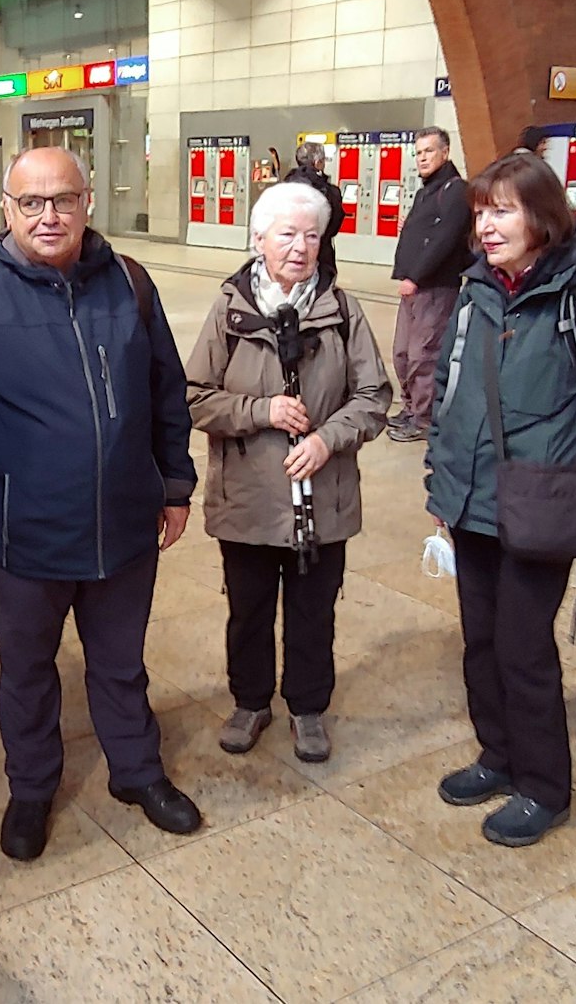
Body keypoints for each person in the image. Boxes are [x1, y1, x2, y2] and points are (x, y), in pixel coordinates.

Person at [0, 147, 203, 862]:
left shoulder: (131, 286)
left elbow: (167, 392)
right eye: (31, 202)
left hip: (123, 532)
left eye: (63, 199)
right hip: (24, 538)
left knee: (121, 664)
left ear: (87, 203)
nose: (48, 215)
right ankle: (31, 787)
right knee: (26, 672)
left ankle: (137, 772)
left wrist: (175, 485)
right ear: (7, 211)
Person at [424, 154, 576, 848]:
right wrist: (441, 483)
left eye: (503, 212)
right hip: (474, 501)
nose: (487, 227)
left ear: (541, 217)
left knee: (523, 649)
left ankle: (544, 785)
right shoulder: (476, 291)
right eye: (482, 213)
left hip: (542, 502)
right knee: (481, 643)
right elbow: (450, 390)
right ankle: (497, 754)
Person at [184, 182, 390, 763]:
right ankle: (250, 701)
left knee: (312, 609)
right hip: (249, 495)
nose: (299, 248)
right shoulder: (230, 310)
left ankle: (307, 707)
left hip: (322, 498)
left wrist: (328, 439)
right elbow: (195, 396)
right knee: (247, 608)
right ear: (258, 240)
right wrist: (261, 410)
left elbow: (374, 396)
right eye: (286, 234)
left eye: (311, 236)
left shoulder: (341, 309)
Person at [388, 127, 471, 443]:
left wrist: (416, 277)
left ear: (445, 153)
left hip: (435, 288)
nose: (422, 158)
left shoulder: (455, 190)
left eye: (429, 151)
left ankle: (423, 418)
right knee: (402, 354)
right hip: (413, 288)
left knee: (424, 354)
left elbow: (445, 239)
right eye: (418, 152)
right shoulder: (428, 190)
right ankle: (411, 408)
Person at [280, 141, 344, 271]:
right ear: (317, 163)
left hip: (287, 252)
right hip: (320, 254)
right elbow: (335, 222)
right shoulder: (329, 191)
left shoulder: (284, 186)